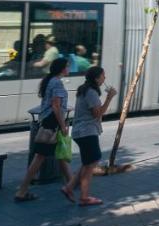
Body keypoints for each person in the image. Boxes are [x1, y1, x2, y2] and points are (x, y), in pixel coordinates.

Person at [14, 57, 73, 202]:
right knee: (40, 157)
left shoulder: (50, 80)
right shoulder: (57, 83)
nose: (69, 69)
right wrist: (63, 125)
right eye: (67, 66)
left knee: (60, 153)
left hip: (49, 121)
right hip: (52, 123)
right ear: (62, 68)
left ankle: (71, 183)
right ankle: (22, 190)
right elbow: (56, 106)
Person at [67, 65, 116, 207]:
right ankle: (84, 197)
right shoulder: (91, 93)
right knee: (92, 162)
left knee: (88, 162)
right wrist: (109, 98)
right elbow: (98, 113)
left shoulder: (86, 90)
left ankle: (69, 187)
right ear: (96, 78)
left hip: (81, 131)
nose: (105, 78)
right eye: (103, 75)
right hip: (87, 131)